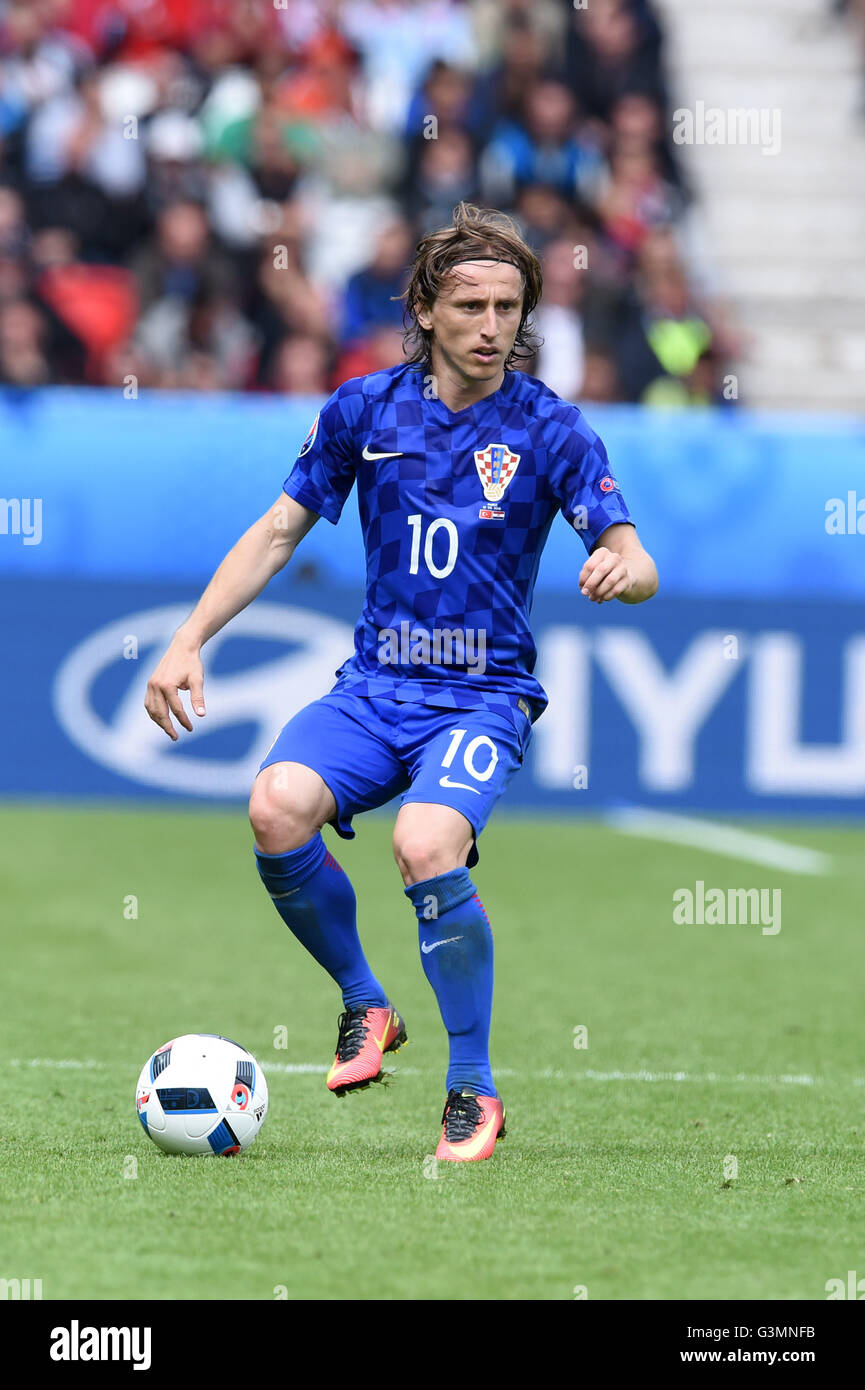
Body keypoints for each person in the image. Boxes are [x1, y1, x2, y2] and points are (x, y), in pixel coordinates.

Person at [145, 202, 658, 1162]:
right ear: (424, 309)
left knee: (424, 843)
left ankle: (472, 1088)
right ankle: (365, 1003)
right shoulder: (363, 410)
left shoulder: (551, 428)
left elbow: (634, 557)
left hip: (483, 697)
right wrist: (188, 638)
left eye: (507, 307)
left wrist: (621, 568)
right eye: (469, 306)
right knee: (274, 808)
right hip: (375, 688)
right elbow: (278, 532)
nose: (491, 326)